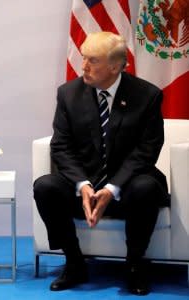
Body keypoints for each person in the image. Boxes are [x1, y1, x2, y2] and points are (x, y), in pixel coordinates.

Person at [33, 31, 169, 296]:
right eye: (83, 58)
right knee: (45, 186)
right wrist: (83, 185)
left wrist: (112, 188)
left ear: (115, 66)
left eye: (92, 60)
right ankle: (74, 262)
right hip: (85, 184)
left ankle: (134, 265)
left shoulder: (147, 96)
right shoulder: (68, 94)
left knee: (146, 188)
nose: (83, 66)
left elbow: (147, 150)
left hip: (127, 187)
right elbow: (60, 146)